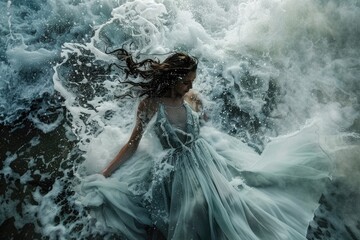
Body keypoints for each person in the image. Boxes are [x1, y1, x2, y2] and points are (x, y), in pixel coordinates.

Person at [81, 49, 332, 240]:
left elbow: (202, 121)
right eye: (186, 81)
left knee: (236, 203)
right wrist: (106, 172)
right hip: (176, 170)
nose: (191, 86)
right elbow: (133, 143)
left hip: (205, 157)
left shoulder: (191, 97)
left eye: (193, 80)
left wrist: (202, 117)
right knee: (193, 216)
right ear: (173, 78)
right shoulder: (150, 104)